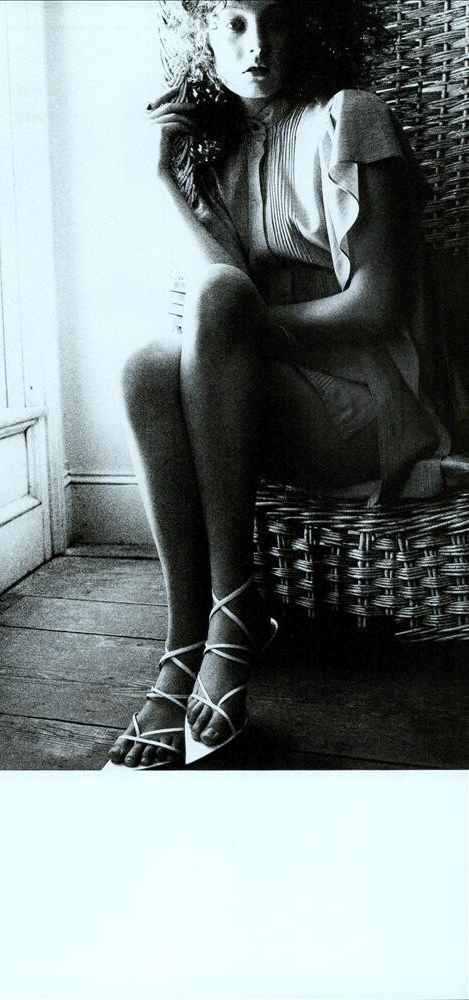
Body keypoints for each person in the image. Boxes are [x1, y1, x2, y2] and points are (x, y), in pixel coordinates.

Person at [106, 0, 451, 769]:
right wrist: (166, 178)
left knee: (218, 303)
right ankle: (185, 641)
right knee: (143, 367)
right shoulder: (220, 144)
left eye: (278, 19)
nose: (255, 44)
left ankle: (232, 618)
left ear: (309, 27)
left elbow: (378, 304)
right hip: (269, 398)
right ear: (202, 32)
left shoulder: (348, 117)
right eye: (233, 22)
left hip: (369, 402)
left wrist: (247, 325)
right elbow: (220, 294)